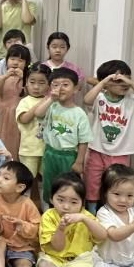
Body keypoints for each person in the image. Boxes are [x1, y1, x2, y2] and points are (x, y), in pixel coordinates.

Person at [24, 173, 106, 267]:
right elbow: (57, 247)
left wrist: (84, 219)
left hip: (80, 260)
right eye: (60, 200)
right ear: (51, 199)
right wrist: (61, 229)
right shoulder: (48, 216)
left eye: (74, 202)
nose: (66, 207)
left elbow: (102, 236)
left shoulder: (86, 216)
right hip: (53, 258)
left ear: (82, 203)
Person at [83, 60, 134, 214]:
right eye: (118, 81)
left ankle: (113, 213)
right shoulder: (99, 98)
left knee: (118, 184)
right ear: (106, 83)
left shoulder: (131, 101)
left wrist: (131, 83)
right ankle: (92, 211)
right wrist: (104, 82)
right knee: (93, 182)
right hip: (97, 150)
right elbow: (86, 100)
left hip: (121, 153)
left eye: (126, 79)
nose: (124, 84)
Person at [34, 68, 93, 206]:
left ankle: (68, 210)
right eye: (55, 85)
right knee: (49, 184)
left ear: (76, 89)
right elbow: (38, 113)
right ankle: (50, 210)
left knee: (68, 186)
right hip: (50, 153)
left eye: (65, 85)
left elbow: (84, 140)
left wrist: (79, 162)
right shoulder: (52, 106)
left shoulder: (79, 113)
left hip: (69, 156)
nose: (60, 88)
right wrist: (50, 98)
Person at [16, 63, 51, 207]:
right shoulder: (24, 101)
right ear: (26, 83)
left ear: (49, 85)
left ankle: (45, 209)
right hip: (28, 149)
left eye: (42, 83)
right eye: (32, 82)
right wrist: (41, 104)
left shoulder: (52, 101)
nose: (36, 87)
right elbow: (24, 119)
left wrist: (48, 100)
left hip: (47, 149)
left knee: (45, 180)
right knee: (27, 181)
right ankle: (25, 209)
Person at [0, 44, 30, 158]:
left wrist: (23, 78)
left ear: (26, 63)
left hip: (18, 112)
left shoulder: (27, 80)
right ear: (6, 60)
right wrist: (5, 77)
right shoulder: (1, 77)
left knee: (15, 139)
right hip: (2, 112)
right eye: (12, 59)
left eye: (20, 60)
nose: (15, 63)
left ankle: (14, 161)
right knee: (1, 137)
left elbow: (29, 94)